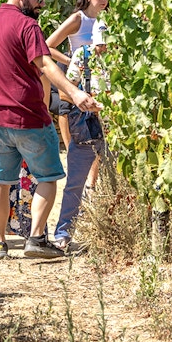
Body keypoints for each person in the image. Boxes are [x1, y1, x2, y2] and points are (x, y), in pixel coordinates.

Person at [0, 0, 102, 260]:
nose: (41, 4)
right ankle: (36, 239)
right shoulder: (27, 26)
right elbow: (45, 63)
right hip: (29, 115)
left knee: (0, 181)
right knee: (48, 176)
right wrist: (76, 92)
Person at [54, 20, 109, 250]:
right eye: (100, 44)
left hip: (119, 130)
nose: (103, 49)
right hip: (87, 126)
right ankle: (63, 233)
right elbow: (65, 94)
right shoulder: (82, 55)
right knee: (75, 182)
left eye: (106, 44)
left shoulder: (128, 58)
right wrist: (86, 102)